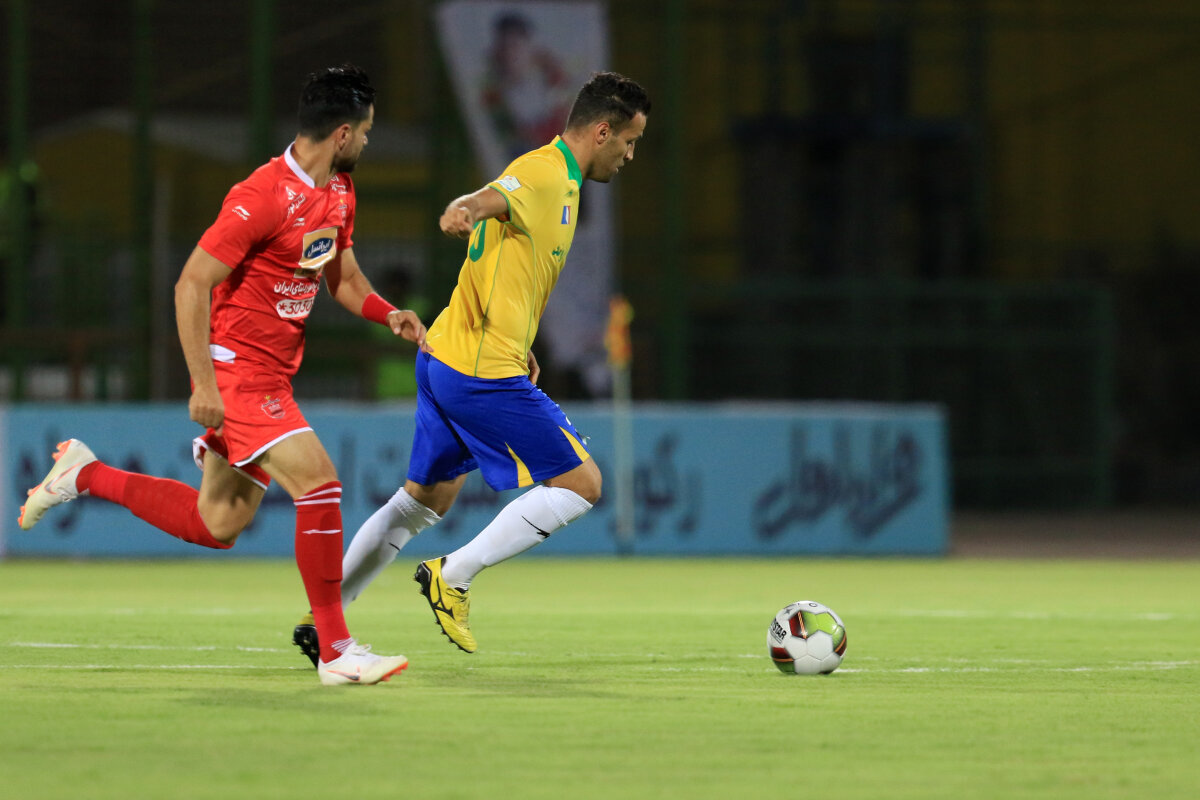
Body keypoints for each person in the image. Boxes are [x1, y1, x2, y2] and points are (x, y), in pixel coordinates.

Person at [19, 64, 422, 687]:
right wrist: (204, 382)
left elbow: (341, 276)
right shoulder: (261, 194)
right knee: (320, 484)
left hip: (273, 378)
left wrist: (387, 312)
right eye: (366, 132)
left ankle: (84, 472)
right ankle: (336, 651)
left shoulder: (340, 193)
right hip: (239, 373)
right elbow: (191, 283)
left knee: (218, 523)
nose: (368, 142)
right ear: (342, 134)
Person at [292, 71, 650, 664]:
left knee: (424, 499)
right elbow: (488, 200)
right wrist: (462, 208)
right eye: (630, 141)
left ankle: (324, 616)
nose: (630, 155)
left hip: (446, 357)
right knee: (582, 485)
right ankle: (452, 576)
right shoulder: (546, 172)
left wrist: (519, 335)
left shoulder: (560, 180)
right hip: (480, 372)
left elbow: (509, 260)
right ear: (603, 131)